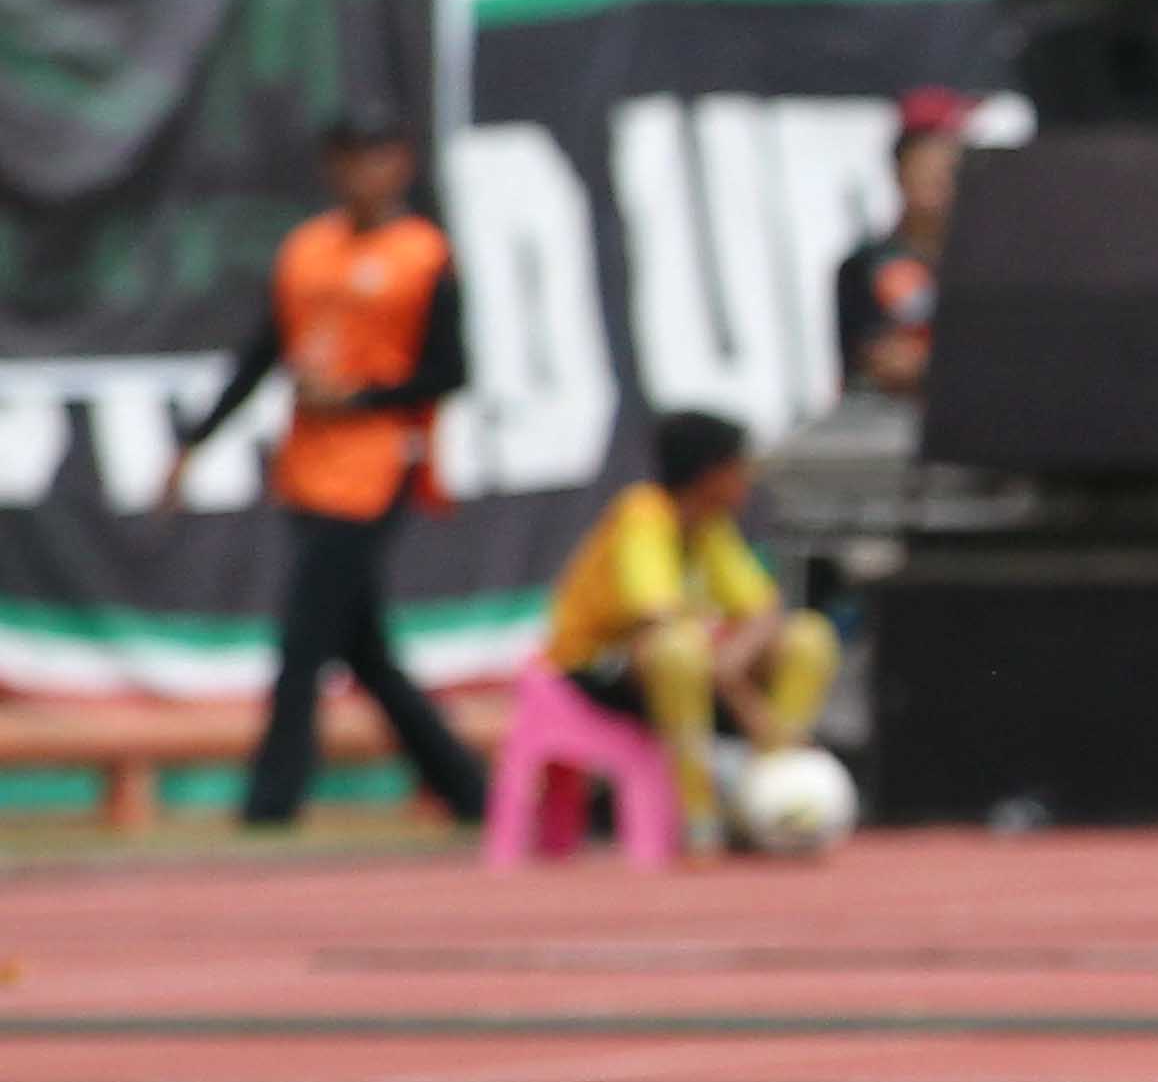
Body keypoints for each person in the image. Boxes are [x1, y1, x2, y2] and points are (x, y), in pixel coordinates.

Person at [162, 120, 493, 831]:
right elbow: (261, 354)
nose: (358, 174)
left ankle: (269, 806)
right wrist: (196, 440)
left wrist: (361, 399)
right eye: (345, 160)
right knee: (364, 653)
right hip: (308, 470)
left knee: (305, 639)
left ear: (399, 164)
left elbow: (453, 370)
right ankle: (469, 791)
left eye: (372, 158)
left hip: (379, 469)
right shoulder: (307, 249)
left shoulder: (423, 255)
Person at [537, 409, 837, 852]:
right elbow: (655, 616)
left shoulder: (710, 527)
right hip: (597, 673)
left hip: (696, 671)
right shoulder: (642, 514)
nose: (749, 480)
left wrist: (734, 667)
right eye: (740, 468)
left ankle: (774, 783)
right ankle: (698, 816)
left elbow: (763, 609)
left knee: (808, 636)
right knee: (677, 649)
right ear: (710, 473)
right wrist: (736, 688)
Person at [832, 87, 971, 399]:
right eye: (926, 169)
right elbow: (870, 361)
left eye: (949, 171)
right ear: (899, 171)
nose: (939, 184)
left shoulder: (985, 265)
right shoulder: (867, 265)